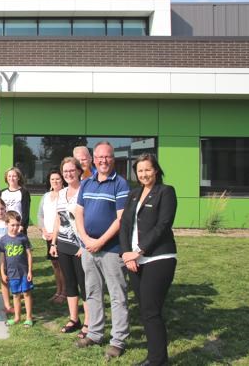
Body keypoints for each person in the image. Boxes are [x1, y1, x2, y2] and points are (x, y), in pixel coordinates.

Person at [119, 154, 177, 366]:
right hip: (134, 261)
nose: (143, 174)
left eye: (147, 170)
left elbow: (163, 226)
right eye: (140, 170)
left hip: (159, 257)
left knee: (151, 311)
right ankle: (156, 357)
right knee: (146, 310)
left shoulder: (166, 192)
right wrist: (126, 254)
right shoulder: (134, 194)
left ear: (156, 171)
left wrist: (139, 251)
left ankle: (157, 361)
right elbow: (124, 225)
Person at [75, 141, 130, 360]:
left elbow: (121, 219)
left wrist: (101, 241)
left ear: (112, 159)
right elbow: (78, 214)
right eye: (99, 157)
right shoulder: (86, 183)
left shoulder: (121, 184)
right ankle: (95, 333)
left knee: (117, 295)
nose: (103, 161)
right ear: (94, 160)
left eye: (107, 157)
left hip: (111, 249)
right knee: (92, 292)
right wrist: (87, 239)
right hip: (89, 248)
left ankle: (118, 340)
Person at [49, 157, 89, 338]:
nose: (68, 174)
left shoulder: (86, 190)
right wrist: (54, 243)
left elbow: (89, 220)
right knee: (70, 283)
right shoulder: (61, 192)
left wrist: (85, 244)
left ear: (79, 171)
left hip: (80, 247)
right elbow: (58, 218)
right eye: (65, 171)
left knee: (84, 284)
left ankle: (89, 322)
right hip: (63, 244)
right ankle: (74, 319)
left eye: (72, 170)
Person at [0, 211, 34, 327]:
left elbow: (29, 255)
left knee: (26, 294)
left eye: (17, 225)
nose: (15, 228)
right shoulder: (3, 240)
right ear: (7, 224)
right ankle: (17, 317)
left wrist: (29, 271)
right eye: (12, 225)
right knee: (15, 295)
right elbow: (2, 258)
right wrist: (2, 273)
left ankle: (29, 317)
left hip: (24, 273)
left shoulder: (23, 238)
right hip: (11, 273)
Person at [38, 169, 66, 304]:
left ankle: (65, 293)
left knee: (62, 265)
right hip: (48, 236)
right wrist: (44, 231)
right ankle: (58, 291)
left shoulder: (65, 195)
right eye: (52, 179)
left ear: (62, 180)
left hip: (61, 236)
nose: (55, 181)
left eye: (58, 179)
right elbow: (40, 215)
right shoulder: (46, 196)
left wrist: (54, 234)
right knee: (55, 265)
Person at [0, 167, 31, 233]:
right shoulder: (2, 192)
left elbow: (26, 212)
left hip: (18, 227)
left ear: (18, 178)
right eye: (9, 176)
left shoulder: (24, 192)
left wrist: (22, 226)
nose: (11, 178)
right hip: (5, 226)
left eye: (14, 176)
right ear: (6, 178)